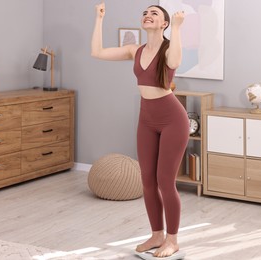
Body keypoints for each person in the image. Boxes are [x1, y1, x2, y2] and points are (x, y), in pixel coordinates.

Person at [91, 2, 188, 258]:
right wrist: (99, 19)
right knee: (147, 181)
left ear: (164, 23)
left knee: (165, 182)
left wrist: (177, 28)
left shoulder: (169, 47)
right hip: (146, 118)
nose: (147, 15)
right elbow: (97, 52)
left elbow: (176, 61)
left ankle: (172, 240)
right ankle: (156, 234)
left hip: (172, 119)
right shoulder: (136, 50)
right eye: (145, 12)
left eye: (154, 13)